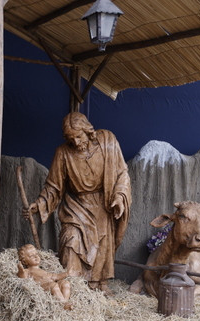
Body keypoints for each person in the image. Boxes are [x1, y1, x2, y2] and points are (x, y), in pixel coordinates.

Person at [23, 112, 131, 295]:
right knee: (71, 240)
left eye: (79, 136)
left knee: (102, 243)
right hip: (76, 206)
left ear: (88, 131)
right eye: (71, 139)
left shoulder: (107, 141)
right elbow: (54, 186)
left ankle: (99, 286)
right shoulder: (63, 153)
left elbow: (122, 172)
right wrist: (40, 203)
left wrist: (120, 196)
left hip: (103, 204)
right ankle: (74, 287)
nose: (76, 142)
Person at [16, 244, 72, 309]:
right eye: (31, 256)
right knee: (53, 286)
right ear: (24, 261)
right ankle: (63, 304)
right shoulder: (28, 271)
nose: (36, 257)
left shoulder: (42, 270)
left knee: (65, 283)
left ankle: (65, 302)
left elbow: (55, 276)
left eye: (36, 254)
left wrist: (67, 273)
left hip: (52, 285)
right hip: (42, 287)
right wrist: (21, 271)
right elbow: (23, 278)